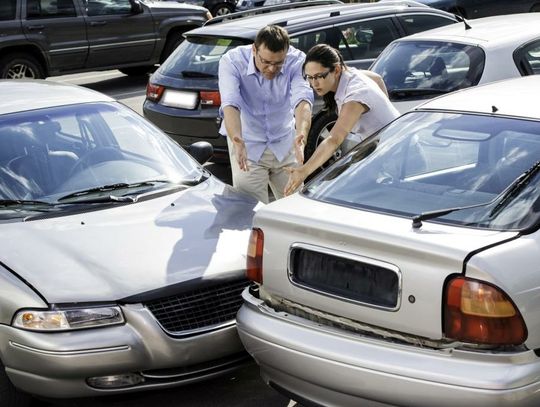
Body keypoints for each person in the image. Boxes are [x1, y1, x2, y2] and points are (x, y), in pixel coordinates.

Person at [284, 44, 399, 196]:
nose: (314, 84)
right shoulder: (350, 74)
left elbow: (334, 139)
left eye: (319, 76)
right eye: (310, 77)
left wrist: (303, 171)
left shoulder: (356, 94)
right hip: (384, 153)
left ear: (336, 70)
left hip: (399, 160)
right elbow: (377, 79)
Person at [218, 25, 313, 203]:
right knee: (252, 214)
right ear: (254, 49)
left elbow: (303, 100)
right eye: (266, 62)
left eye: (278, 63)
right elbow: (230, 102)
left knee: (295, 208)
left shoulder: (297, 60)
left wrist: (302, 134)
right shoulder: (232, 61)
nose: (271, 69)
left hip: (285, 143)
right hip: (247, 147)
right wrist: (236, 139)